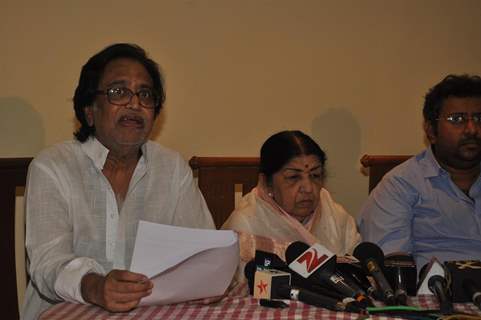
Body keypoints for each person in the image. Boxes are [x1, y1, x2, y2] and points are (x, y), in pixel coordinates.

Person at [23, 43, 215, 319]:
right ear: (89, 110)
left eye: (145, 94)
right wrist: (94, 286)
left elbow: (202, 252)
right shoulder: (52, 167)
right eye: (118, 92)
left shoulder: (172, 168)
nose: (135, 104)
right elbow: (46, 262)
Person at [358, 74, 481, 270]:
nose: (472, 129)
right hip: (435, 296)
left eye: (478, 118)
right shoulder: (399, 186)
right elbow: (393, 271)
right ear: (431, 130)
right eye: (457, 119)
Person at [222, 130, 360, 279]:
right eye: (293, 177)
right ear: (266, 183)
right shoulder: (246, 225)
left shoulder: (337, 218)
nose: (308, 188)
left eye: (315, 175)